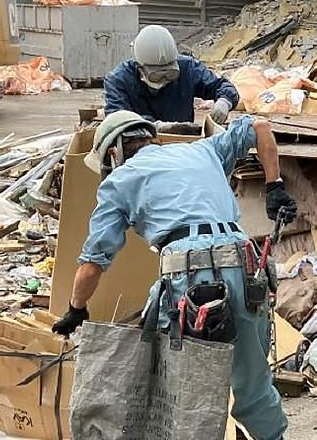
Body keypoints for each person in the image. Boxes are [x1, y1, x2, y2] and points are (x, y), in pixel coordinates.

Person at [51, 110, 297, 440]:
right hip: (245, 266)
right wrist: (274, 185)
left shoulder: (119, 181)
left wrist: (76, 308)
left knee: (183, 383)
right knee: (253, 378)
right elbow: (260, 126)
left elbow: (93, 263)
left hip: (189, 279)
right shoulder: (202, 150)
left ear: (113, 153)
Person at [104, 25, 239, 134]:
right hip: (139, 146)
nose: (164, 80)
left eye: (170, 74)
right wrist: (157, 127)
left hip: (181, 146)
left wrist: (224, 101)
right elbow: (115, 120)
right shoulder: (119, 80)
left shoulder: (188, 68)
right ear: (139, 67)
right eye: (157, 75)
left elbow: (221, 86)